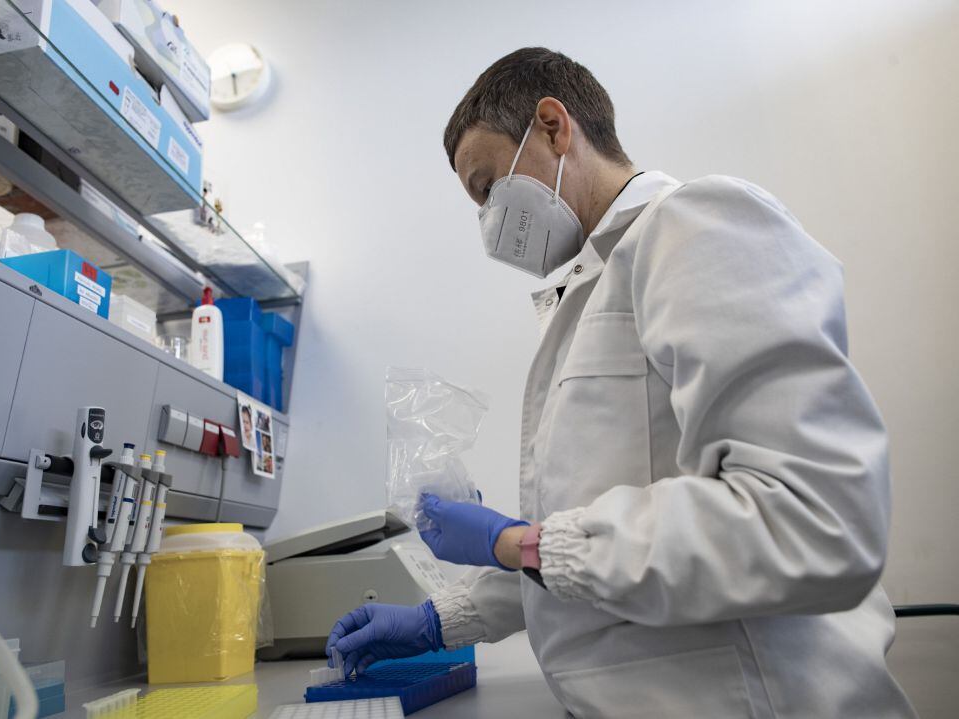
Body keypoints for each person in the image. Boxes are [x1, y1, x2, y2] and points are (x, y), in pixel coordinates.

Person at [326, 48, 917, 717]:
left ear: (553, 127)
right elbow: (595, 547)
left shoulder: (697, 225)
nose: (489, 220)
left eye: (488, 186)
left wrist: (513, 540)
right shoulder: (593, 288)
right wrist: (443, 619)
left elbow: (814, 518)